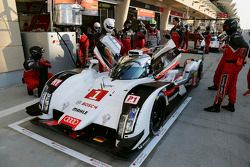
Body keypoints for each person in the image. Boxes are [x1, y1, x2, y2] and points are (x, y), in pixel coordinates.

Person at [204, 19, 249, 113]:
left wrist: (242, 58)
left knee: (223, 84)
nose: (225, 28)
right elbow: (234, 48)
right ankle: (231, 104)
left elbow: (245, 46)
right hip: (234, 65)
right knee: (232, 85)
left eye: (226, 27)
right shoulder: (233, 36)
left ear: (231, 27)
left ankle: (216, 106)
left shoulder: (235, 36)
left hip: (231, 65)